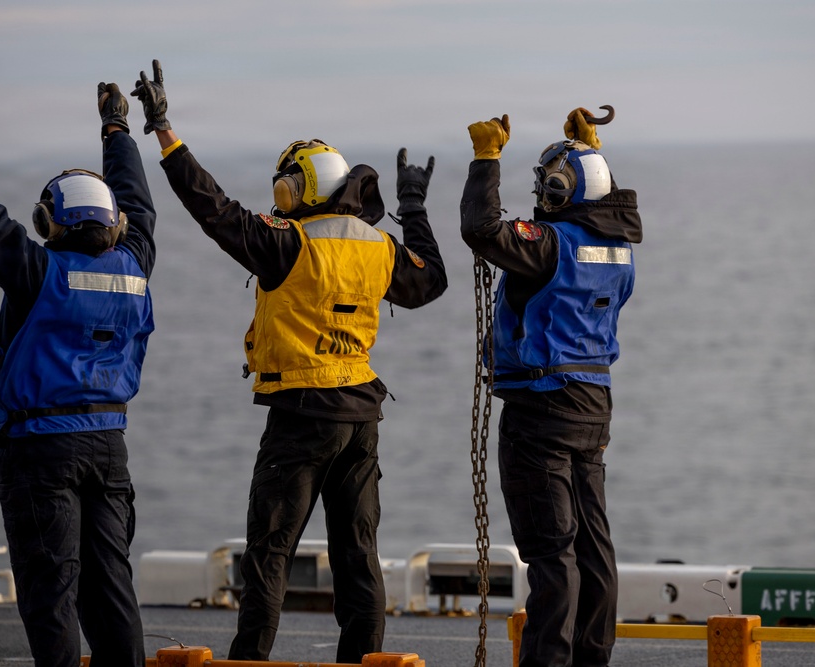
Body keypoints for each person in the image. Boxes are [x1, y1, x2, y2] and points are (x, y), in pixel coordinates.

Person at [128, 60, 447, 662]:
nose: (283, 201)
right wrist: (413, 204)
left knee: (270, 551)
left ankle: (250, 661)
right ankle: (365, 660)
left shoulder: (288, 244)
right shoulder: (377, 245)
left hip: (302, 413)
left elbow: (213, 209)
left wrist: (166, 132)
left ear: (308, 190)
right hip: (361, 415)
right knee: (359, 553)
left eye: (288, 189)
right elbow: (431, 281)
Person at [0, 77, 156, 667]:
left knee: (51, 595)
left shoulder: (38, 272)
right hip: (108, 447)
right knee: (112, 588)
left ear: (49, 221)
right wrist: (117, 129)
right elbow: (140, 204)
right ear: (111, 223)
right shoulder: (135, 266)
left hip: (41, 453)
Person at [460, 109, 642, 667]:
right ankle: (592, 659)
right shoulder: (619, 248)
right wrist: (592, 153)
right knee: (593, 546)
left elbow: (482, 230)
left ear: (560, 189)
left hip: (541, 408)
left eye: (547, 183)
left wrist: (486, 160)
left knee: (550, 553)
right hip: (594, 405)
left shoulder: (548, 245)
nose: (540, 192)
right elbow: (589, 217)